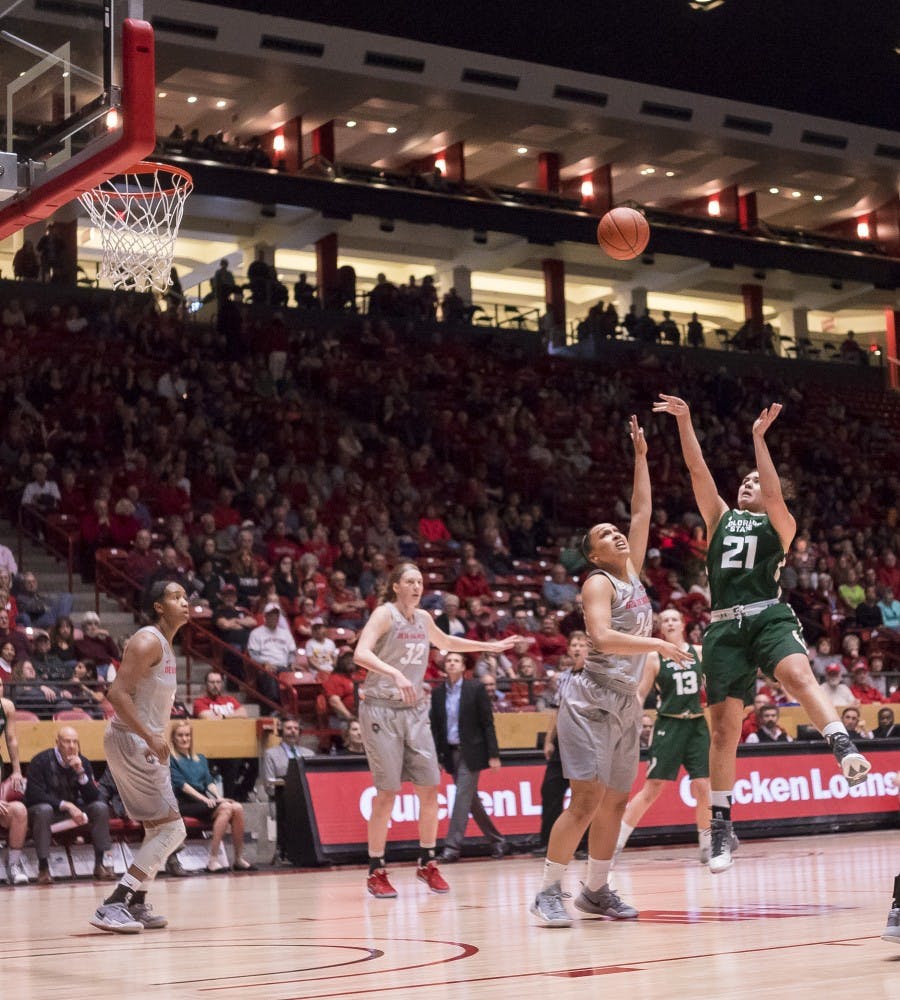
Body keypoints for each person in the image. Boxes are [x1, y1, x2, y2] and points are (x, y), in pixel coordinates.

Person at [653, 394, 871, 874]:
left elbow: (773, 493)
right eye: (745, 480)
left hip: (767, 614)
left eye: (756, 480)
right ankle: (722, 824)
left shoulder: (781, 523)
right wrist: (686, 421)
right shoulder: (720, 518)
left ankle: (841, 743)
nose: (749, 483)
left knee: (796, 672)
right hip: (724, 626)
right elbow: (697, 471)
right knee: (726, 729)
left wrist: (758, 439)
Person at [531, 415, 692, 927]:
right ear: (594, 552)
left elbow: (642, 509)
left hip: (624, 700)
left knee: (617, 802)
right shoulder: (597, 583)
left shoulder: (635, 575)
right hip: (588, 697)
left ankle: (595, 891)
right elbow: (599, 638)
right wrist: (657, 644)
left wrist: (642, 456)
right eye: (606, 534)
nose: (618, 534)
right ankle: (548, 890)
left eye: (616, 530)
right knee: (585, 799)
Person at [353, 561, 517, 899]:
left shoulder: (424, 619)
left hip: (414, 712)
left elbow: (446, 641)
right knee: (387, 793)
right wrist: (395, 674)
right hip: (381, 709)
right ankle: (376, 869)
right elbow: (360, 653)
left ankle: (427, 862)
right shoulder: (385, 614)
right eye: (410, 581)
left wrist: (489, 647)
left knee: (430, 789)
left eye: (420, 582)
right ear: (396, 585)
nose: (416, 587)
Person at [87, 581, 190, 933]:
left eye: (185, 596)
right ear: (158, 606)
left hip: (139, 741)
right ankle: (115, 901)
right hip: (133, 741)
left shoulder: (166, 645)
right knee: (173, 829)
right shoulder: (147, 641)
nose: (185, 601)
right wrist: (150, 735)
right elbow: (116, 694)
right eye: (176, 597)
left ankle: (138, 903)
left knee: (157, 828)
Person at [615, 608, 714, 863]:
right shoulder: (654, 657)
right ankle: (615, 844)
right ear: (661, 628)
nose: (670, 623)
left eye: (674, 619)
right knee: (652, 788)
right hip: (668, 726)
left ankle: (707, 845)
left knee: (704, 786)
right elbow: (640, 693)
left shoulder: (700, 652)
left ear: (683, 624)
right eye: (665, 620)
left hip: (696, 725)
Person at [430, 652, 506, 862]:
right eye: (449, 661)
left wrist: (494, 754)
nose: (452, 663)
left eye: (456, 660)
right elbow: (436, 728)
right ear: (445, 667)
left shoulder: (475, 688)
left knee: (462, 796)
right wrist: (436, 756)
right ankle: (497, 840)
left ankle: (452, 848)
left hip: (472, 752)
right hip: (450, 752)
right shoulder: (437, 694)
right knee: (471, 800)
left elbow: (487, 723)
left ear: (464, 667)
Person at [25, 725, 116, 886]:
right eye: (67, 742)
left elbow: (94, 797)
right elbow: (33, 795)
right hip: (45, 812)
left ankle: (101, 865)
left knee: (100, 808)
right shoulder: (41, 761)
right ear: (57, 743)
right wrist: (65, 805)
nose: (72, 746)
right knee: (43, 810)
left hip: (72, 811)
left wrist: (81, 772)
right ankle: (43, 868)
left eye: (75, 742)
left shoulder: (83, 762)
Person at [169, 720, 255, 872]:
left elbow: (209, 781)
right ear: (173, 738)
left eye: (187, 735)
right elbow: (182, 785)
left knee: (236, 807)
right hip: (185, 802)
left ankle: (238, 858)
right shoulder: (171, 759)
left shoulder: (200, 758)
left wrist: (217, 797)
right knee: (227, 808)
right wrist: (205, 799)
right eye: (180, 735)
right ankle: (213, 860)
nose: (184, 739)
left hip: (205, 802)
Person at [0, 676, 28, 884]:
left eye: (0, 684)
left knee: (18, 810)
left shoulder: (7, 706)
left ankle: (13, 866)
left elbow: (11, 739)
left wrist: (16, 770)